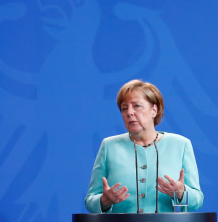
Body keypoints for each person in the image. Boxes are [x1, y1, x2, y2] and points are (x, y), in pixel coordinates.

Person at [85, 79, 203, 213]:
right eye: (124, 108)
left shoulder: (181, 145)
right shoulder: (109, 146)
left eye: (137, 106)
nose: (129, 112)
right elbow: (90, 201)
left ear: (154, 110)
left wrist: (181, 193)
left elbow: (197, 200)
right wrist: (104, 201)